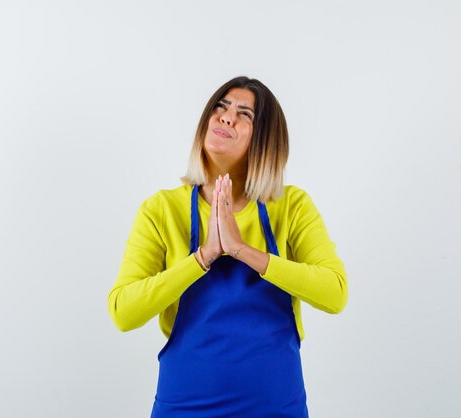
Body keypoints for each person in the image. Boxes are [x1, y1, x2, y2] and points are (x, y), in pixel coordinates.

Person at [107, 76, 348, 417]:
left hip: (275, 407)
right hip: (184, 407)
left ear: (266, 140)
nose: (226, 117)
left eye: (244, 114)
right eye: (220, 107)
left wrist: (242, 250)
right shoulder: (161, 209)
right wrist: (203, 257)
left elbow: (335, 293)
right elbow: (123, 312)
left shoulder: (292, 206)